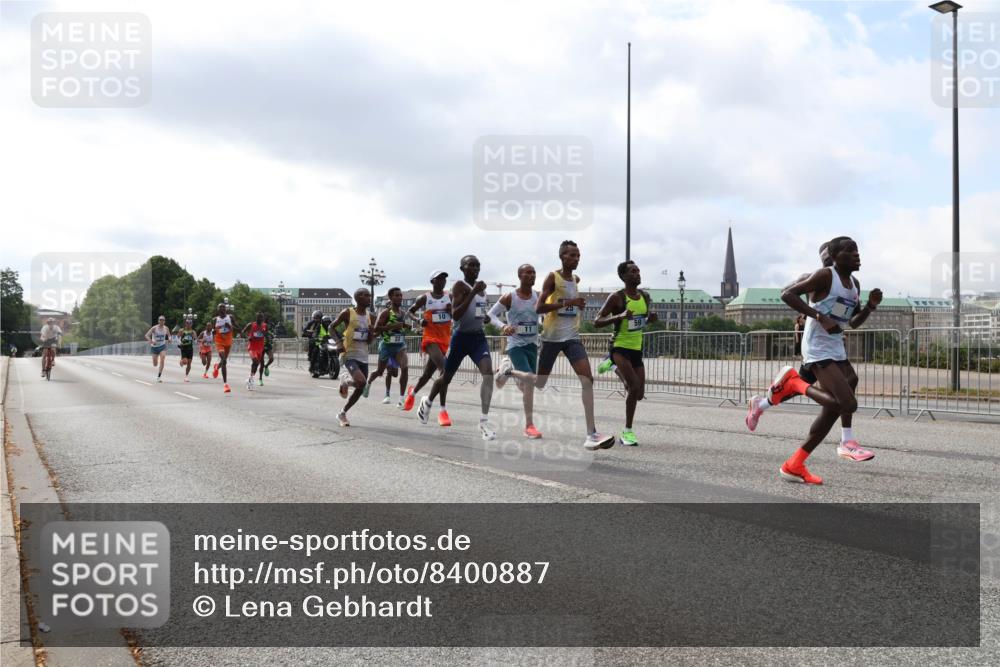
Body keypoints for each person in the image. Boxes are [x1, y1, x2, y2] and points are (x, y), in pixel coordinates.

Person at [750, 236, 881, 485]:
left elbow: (852, 322)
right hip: (817, 347)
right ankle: (794, 385)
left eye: (857, 250)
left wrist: (870, 308)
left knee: (844, 392)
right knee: (847, 403)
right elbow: (787, 294)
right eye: (849, 251)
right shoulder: (824, 276)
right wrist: (820, 316)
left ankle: (797, 463)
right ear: (833, 257)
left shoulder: (855, 284)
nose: (857, 255)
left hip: (835, 346)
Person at [534, 241, 615, 450]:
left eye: (578, 255)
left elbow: (572, 299)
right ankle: (508, 372)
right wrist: (570, 303)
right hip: (552, 338)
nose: (576, 259)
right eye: (572, 255)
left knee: (587, 379)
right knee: (539, 382)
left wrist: (577, 303)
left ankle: (591, 434)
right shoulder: (553, 277)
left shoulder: (576, 279)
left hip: (572, 338)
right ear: (562, 257)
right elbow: (539, 307)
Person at [416, 255, 497, 440]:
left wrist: (483, 316)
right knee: (445, 378)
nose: (475, 268)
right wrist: (473, 291)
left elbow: (477, 310)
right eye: (471, 265)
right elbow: (456, 315)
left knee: (488, 373)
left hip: (478, 338)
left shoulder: (482, 290)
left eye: (477, 265)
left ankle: (484, 422)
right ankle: (427, 402)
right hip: (460, 339)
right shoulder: (460, 286)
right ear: (462, 268)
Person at [594, 261, 658, 446]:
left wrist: (650, 319)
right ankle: (627, 432)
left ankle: (611, 364)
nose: (637, 274)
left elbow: (641, 320)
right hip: (619, 346)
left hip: (636, 348)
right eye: (633, 271)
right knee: (634, 386)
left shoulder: (645, 297)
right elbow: (597, 321)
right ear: (623, 277)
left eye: (638, 270)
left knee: (638, 393)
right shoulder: (617, 297)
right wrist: (619, 316)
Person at [490, 264, 542, 439]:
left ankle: (504, 372)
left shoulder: (538, 296)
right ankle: (529, 426)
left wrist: (542, 323)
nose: (531, 275)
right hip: (515, 344)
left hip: (532, 345)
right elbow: (490, 315)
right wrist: (503, 326)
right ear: (520, 275)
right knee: (529, 380)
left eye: (534, 272)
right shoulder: (509, 297)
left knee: (528, 385)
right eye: (528, 272)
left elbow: (541, 316)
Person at [406, 271, 452, 416]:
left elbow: (457, 314)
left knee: (427, 375)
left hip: (445, 338)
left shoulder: (449, 297)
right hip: (430, 338)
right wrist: (419, 320)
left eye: (444, 279)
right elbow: (410, 311)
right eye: (439, 279)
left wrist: (451, 311)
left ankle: (412, 393)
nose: (443, 281)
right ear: (432, 281)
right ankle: (442, 410)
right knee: (445, 370)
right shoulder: (425, 297)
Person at [330, 288, 373, 426]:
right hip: (349, 354)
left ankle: (342, 413)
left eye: (370, 295)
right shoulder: (348, 312)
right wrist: (338, 342)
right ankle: (346, 381)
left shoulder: (370, 316)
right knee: (360, 382)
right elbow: (331, 327)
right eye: (366, 295)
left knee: (361, 387)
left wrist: (372, 332)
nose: (369, 297)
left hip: (363, 356)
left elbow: (369, 341)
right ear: (358, 298)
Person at [367, 287, 411, 409]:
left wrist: (406, 326)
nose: (400, 297)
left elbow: (400, 325)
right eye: (397, 295)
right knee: (380, 372)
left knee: (405, 368)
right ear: (391, 298)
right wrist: (392, 326)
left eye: (401, 295)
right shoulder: (385, 313)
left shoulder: (402, 313)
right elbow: (376, 329)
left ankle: (402, 399)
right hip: (386, 345)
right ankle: (368, 382)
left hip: (399, 346)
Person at [209, 303, 237, 393]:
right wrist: (214, 331)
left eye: (223, 307)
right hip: (219, 341)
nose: (222, 309)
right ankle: (225, 384)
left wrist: (231, 327)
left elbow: (238, 328)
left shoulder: (231, 317)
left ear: (226, 309)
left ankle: (217, 366)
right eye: (220, 307)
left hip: (228, 342)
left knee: (223, 361)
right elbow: (212, 331)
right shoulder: (215, 320)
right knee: (224, 361)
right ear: (218, 310)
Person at [241, 312, 268, 390]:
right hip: (252, 347)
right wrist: (247, 337)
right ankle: (251, 380)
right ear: (256, 318)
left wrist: (263, 332)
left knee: (256, 365)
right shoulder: (251, 325)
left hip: (260, 348)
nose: (260, 319)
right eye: (259, 317)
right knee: (255, 361)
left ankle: (250, 379)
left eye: (262, 318)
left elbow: (266, 334)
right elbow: (242, 332)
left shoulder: (265, 326)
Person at [144, 316, 171, 382]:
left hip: (162, 346)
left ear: (164, 321)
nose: (162, 321)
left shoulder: (166, 328)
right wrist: (151, 341)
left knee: (163, 358)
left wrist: (170, 339)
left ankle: (159, 376)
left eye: (163, 320)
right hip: (154, 347)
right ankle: (156, 361)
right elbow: (146, 335)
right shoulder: (154, 328)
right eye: (160, 320)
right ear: (158, 321)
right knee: (155, 364)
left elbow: (169, 335)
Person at [302, 310, 324, 377]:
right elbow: (305, 330)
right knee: (314, 349)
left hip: (324, 340)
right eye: (315, 317)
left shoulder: (325, 323)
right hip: (314, 340)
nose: (316, 319)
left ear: (321, 317)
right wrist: (307, 334)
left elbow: (331, 329)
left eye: (318, 317)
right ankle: (312, 364)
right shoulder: (311, 323)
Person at [176, 318, 197, 383]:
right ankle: (182, 361)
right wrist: (179, 343)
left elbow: (195, 340)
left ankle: (186, 376)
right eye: (187, 323)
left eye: (190, 323)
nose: (188, 324)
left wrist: (195, 339)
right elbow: (177, 337)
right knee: (186, 362)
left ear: (192, 324)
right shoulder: (182, 330)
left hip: (190, 349)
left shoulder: (193, 331)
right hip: (184, 348)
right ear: (185, 323)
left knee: (189, 363)